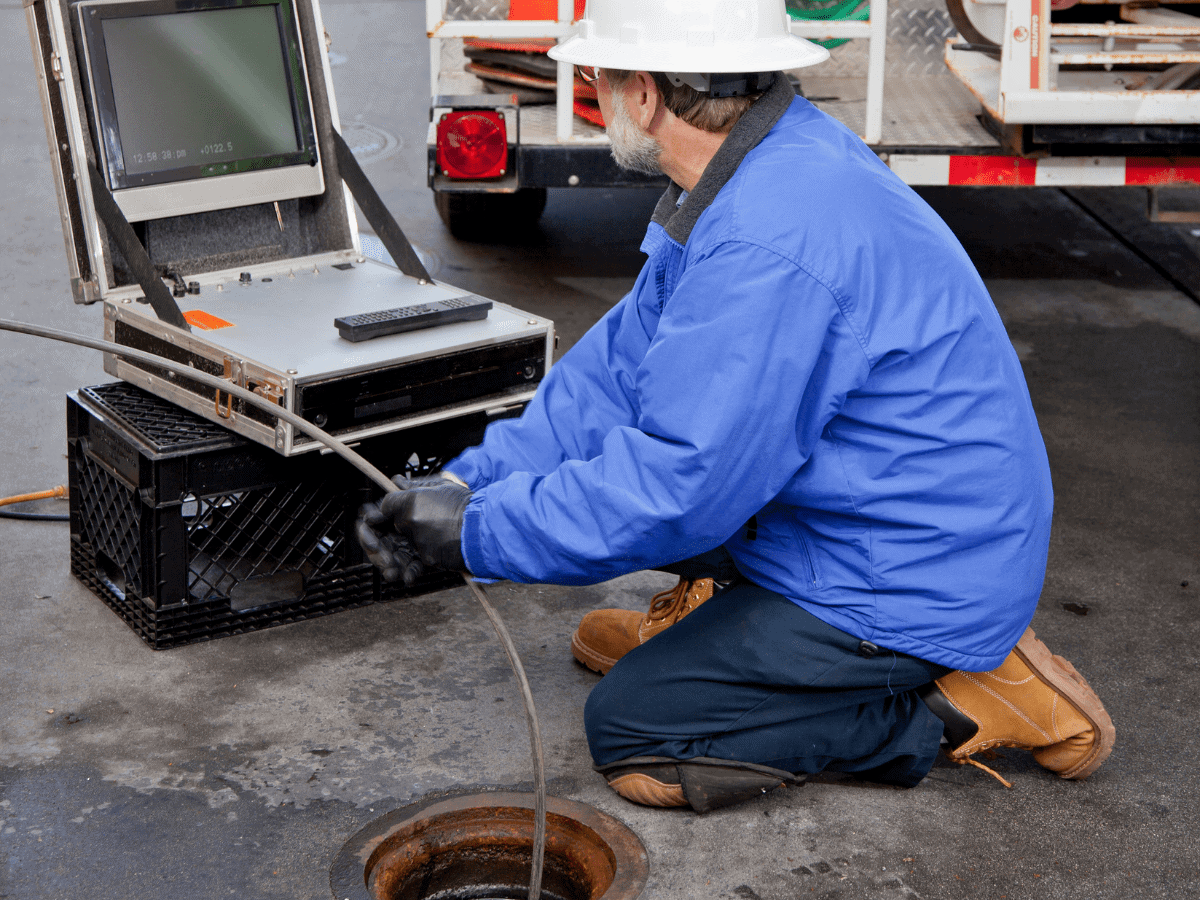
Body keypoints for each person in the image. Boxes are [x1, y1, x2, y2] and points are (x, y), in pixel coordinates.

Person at [358, 0, 1115, 812]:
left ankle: (953, 703)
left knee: (638, 729)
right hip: (882, 515)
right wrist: (468, 485)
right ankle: (731, 639)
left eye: (600, 76)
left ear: (644, 93)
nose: (598, 94)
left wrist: (477, 534)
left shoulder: (766, 241)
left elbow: (679, 488)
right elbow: (613, 379)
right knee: (639, 481)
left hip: (912, 574)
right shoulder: (760, 163)